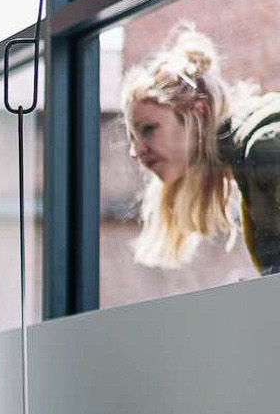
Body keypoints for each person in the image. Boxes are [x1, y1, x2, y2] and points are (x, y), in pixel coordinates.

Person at [120, 23, 280, 274]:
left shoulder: (264, 147)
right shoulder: (249, 155)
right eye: (132, 137)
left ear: (198, 111)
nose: (136, 151)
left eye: (148, 129)